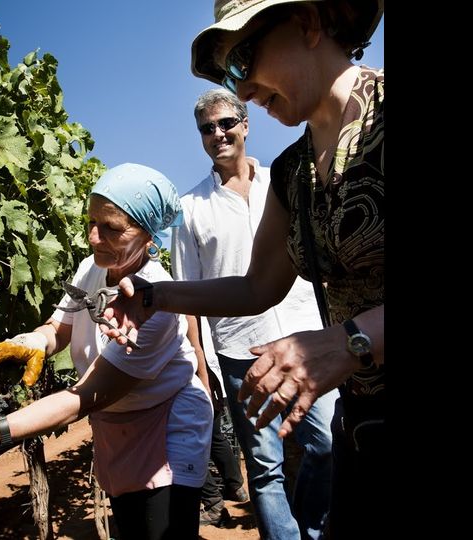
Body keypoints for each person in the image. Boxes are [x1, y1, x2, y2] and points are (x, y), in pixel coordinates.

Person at [103, 1, 385, 537]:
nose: (246, 88)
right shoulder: (292, 173)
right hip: (364, 423)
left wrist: (348, 340)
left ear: (307, 22)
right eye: (233, 74)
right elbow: (258, 286)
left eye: (245, 60)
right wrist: (153, 296)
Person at [0, 163, 213, 540]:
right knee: (132, 527)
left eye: (111, 228)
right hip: (116, 425)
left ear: (150, 236)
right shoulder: (93, 267)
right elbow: (58, 329)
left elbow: (84, 396)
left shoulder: (156, 304)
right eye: (92, 222)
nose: (93, 237)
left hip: (167, 424)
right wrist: (33, 341)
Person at [174, 87, 336, 539]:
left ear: (246, 125)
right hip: (240, 352)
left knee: (326, 444)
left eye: (226, 123)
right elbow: (189, 296)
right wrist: (201, 368)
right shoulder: (190, 210)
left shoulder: (285, 181)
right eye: (207, 129)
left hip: (304, 338)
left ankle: (312, 531)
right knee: (265, 469)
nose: (218, 134)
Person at [195, 326, 247, 527]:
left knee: (185, 447)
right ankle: (236, 487)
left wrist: (205, 381)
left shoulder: (178, 303)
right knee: (214, 437)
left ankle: (212, 502)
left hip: (197, 379)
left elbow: (195, 345)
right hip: (208, 374)